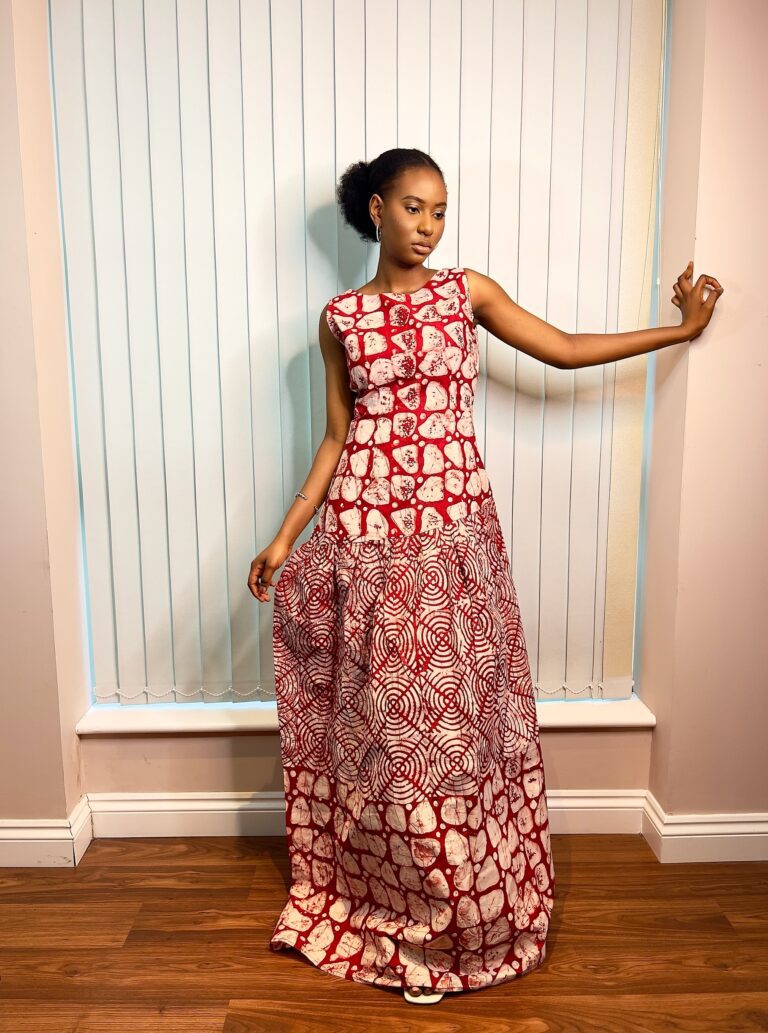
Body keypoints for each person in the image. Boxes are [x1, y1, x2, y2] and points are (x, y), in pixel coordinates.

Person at [248, 147, 724, 1005]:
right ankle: (391, 898)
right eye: (413, 208)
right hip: (367, 535)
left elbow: (568, 350)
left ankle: (464, 909)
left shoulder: (466, 293)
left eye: (439, 210)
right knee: (391, 732)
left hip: (453, 541)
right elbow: (336, 437)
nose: (429, 226)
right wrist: (286, 536)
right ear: (375, 211)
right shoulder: (339, 320)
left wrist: (679, 332)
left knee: (455, 730)